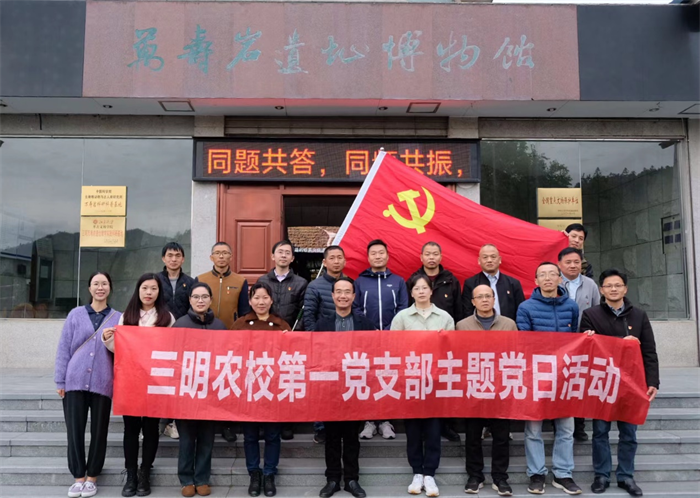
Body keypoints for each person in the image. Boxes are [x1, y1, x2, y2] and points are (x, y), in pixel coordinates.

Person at [580, 269, 659, 497]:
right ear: (601, 290)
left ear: (625, 289)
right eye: (608, 285)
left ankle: (626, 476)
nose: (613, 289)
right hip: (602, 381)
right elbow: (586, 345)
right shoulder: (590, 314)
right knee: (600, 432)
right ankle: (601, 475)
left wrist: (652, 381)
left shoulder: (639, 315)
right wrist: (622, 342)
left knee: (629, 433)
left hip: (632, 383)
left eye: (618, 285)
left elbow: (649, 351)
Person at [102, 273, 175, 497]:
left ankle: (145, 471)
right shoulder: (128, 315)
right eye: (145, 288)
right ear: (138, 290)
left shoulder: (167, 318)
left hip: (155, 381)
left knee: (151, 428)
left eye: (153, 288)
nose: (149, 292)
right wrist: (109, 338)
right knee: (131, 428)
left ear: (159, 292)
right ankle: (131, 473)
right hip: (131, 380)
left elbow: (172, 349)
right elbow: (120, 348)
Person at [516, 262, 581, 496]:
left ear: (560, 279)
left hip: (564, 375)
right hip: (536, 375)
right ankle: (536, 473)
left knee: (566, 428)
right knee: (533, 429)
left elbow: (575, 338)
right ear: (535, 281)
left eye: (552, 274)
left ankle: (563, 473)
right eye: (542, 275)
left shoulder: (571, 306)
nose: (548, 278)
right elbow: (524, 342)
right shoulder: (525, 307)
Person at [54, 272, 122, 498]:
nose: (100, 287)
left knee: (99, 431)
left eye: (104, 284)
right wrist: (60, 380)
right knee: (74, 431)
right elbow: (64, 347)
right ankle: (78, 477)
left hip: (103, 381)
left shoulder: (118, 318)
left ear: (110, 288)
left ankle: (92, 476)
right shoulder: (75, 314)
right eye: (96, 284)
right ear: (89, 288)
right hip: (74, 380)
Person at [391, 274, 454, 498]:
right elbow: (394, 348)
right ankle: (417, 471)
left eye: (424, 288)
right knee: (413, 429)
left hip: (436, 382)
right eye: (417, 288)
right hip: (411, 381)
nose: (421, 292)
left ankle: (430, 473)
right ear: (411, 293)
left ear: (431, 291)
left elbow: (452, 349)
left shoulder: (444, 317)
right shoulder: (402, 317)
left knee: (434, 429)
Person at [315, 277, 373, 498]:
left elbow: (372, 354)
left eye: (347, 292)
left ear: (354, 296)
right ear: (332, 296)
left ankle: (351, 479)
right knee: (331, 437)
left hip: (354, 387)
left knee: (351, 437)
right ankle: (332, 479)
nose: (343, 296)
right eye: (338, 292)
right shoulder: (322, 325)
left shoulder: (364, 324)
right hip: (329, 389)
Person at [231, 282, 291, 498]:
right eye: (256, 298)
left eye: (265, 297)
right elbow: (231, 354)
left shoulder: (281, 325)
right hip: (248, 388)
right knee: (250, 435)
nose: (261, 302)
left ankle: (269, 473)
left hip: (273, 389)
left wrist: (290, 340)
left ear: (271, 300)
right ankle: (254, 473)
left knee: (273, 435)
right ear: (250, 301)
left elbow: (291, 357)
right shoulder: (240, 324)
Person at [456, 284, 516, 496]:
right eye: (479, 297)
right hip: (473, 387)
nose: (484, 300)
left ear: (494, 299)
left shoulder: (508, 324)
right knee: (473, 436)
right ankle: (475, 476)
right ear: (472, 301)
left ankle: (500, 477)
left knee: (501, 436)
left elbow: (516, 353)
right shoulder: (462, 325)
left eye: (488, 296)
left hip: (501, 387)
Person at [173, 282, 227, 498]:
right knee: (187, 439)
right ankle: (186, 479)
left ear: (211, 300)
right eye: (196, 297)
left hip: (211, 393)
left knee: (207, 438)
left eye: (205, 297)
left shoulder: (220, 326)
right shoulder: (179, 325)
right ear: (190, 300)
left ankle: (202, 478)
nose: (200, 300)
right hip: (186, 391)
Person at [196, 241, 251, 443]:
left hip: (230, 338)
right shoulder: (200, 279)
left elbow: (244, 312)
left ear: (231, 257)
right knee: (205, 380)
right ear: (211, 257)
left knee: (227, 380)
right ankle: (204, 420)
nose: (221, 256)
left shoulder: (240, 280)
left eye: (225, 253)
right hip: (204, 337)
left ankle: (227, 424)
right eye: (217, 253)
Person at [354, 239, 408, 440]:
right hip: (367, 338)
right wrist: (371, 328)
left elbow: (403, 308)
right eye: (373, 253)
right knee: (368, 378)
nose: (378, 256)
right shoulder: (360, 282)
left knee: (388, 377)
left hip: (391, 338)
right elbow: (355, 308)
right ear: (368, 258)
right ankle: (369, 420)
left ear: (387, 255)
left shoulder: (398, 281)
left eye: (381, 252)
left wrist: (388, 330)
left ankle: (386, 421)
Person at [409, 241, 462, 442]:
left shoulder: (451, 280)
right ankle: (423, 427)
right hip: (418, 348)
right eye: (428, 254)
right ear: (421, 257)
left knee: (443, 386)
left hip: (444, 344)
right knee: (421, 387)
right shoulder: (413, 279)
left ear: (441, 256)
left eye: (435, 254)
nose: (431, 257)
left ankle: (445, 426)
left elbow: (458, 310)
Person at [304, 245, 350, 444]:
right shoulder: (315, 286)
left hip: (347, 344)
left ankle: (345, 423)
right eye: (332, 258)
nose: (336, 261)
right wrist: (315, 341)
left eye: (340, 257)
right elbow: (309, 316)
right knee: (322, 387)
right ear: (325, 262)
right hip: (323, 345)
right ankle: (321, 427)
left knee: (345, 385)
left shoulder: (350, 284)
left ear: (345, 261)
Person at [558, 247, 601, 443]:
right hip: (560, 342)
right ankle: (558, 423)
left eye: (576, 262)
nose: (573, 265)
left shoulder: (590, 284)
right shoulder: (554, 281)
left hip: (583, 341)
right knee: (561, 384)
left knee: (580, 384)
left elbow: (598, 310)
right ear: (560, 264)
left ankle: (580, 426)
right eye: (568, 262)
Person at [157, 241, 194, 441]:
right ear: (164, 258)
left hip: (183, 339)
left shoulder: (190, 282)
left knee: (178, 380)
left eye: (177, 255)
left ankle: (171, 423)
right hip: (160, 338)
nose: (173, 259)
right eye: (170, 255)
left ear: (183, 259)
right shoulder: (155, 280)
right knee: (161, 380)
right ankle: (157, 422)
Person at [461, 244, 525, 321]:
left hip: (507, 326)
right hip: (479, 326)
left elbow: (521, 311)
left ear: (499, 260)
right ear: (479, 261)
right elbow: (467, 311)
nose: (489, 260)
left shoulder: (513, 283)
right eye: (485, 257)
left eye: (493, 257)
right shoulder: (471, 283)